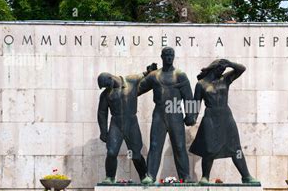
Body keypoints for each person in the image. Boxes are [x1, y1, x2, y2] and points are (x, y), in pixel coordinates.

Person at [189, 59, 260, 184]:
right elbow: (196, 103)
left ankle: (246, 176)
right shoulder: (201, 84)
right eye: (220, 68)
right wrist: (192, 117)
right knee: (209, 148)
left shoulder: (225, 79)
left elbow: (241, 69)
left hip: (226, 116)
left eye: (223, 69)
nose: (222, 71)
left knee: (235, 148)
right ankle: (205, 177)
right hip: (210, 116)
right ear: (213, 68)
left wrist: (230, 64)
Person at [138, 47, 196, 184]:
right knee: (155, 145)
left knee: (179, 146)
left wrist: (191, 115)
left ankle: (185, 177)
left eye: (171, 55)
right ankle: (150, 176)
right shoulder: (154, 75)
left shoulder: (180, 75)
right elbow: (139, 89)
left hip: (175, 112)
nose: (169, 57)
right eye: (166, 55)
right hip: (159, 113)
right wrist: (144, 74)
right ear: (161, 57)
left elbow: (189, 97)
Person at [97, 64, 157, 183]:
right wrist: (103, 131)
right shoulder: (105, 95)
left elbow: (145, 75)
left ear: (110, 78)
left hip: (131, 122)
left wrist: (150, 71)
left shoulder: (131, 80)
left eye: (106, 85)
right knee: (111, 152)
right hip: (116, 123)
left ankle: (144, 176)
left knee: (135, 154)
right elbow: (101, 113)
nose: (106, 88)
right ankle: (110, 177)